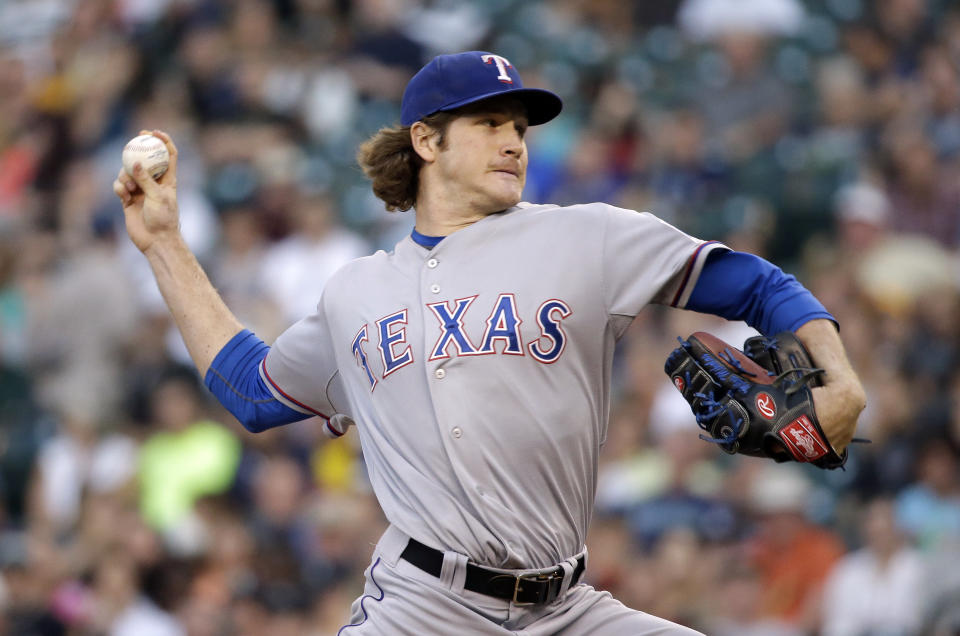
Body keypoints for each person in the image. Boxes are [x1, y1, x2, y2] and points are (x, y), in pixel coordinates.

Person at [112, 51, 865, 635]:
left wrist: (842, 381)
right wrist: (164, 245)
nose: (513, 141)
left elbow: (755, 285)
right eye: (489, 123)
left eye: (519, 126)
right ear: (426, 140)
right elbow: (250, 391)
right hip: (422, 605)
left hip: (566, 608)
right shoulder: (356, 293)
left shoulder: (587, 237)